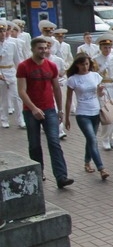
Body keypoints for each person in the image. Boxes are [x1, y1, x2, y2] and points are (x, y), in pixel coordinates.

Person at [16, 36, 73, 188]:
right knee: (34, 144)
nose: (44, 51)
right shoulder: (24, 66)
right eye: (40, 48)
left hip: (49, 109)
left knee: (54, 142)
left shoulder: (51, 66)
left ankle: (61, 177)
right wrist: (34, 108)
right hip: (30, 111)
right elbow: (21, 91)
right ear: (33, 49)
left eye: (46, 48)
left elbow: (56, 89)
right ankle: (38, 173)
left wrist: (60, 110)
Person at [64, 53, 109, 180]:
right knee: (92, 140)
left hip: (96, 112)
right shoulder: (73, 79)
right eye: (82, 64)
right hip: (82, 113)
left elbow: (100, 95)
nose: (85, 67)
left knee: (91, 139)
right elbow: (68, 100)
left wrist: (101, 91)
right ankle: (101, 168)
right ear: (77, 65)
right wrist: (67, 117)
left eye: (87, 64)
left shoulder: (95, 76)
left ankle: (87, 161)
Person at [0, 22, 24, 129]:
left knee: (17, 97)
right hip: (1, 73)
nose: (2, 34)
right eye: (0, 31)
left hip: (11, 72)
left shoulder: (12, 44)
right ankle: (4, 119)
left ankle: (21, 120)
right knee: (3, 98)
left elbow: (17, 60)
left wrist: (21, 74)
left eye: (3, 31)